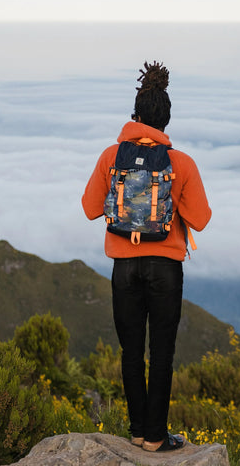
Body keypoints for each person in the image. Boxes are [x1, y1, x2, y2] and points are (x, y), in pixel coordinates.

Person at [82, 61, 211, 452]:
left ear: (135, 115)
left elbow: (90, 208)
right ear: (165, 121)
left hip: (124, 267)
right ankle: (156, 438)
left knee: (131, 352)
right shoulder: (181, 163)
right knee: (162, 354)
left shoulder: (111, 156)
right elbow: (201, 220)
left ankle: (137, 432)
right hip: (166, 269)